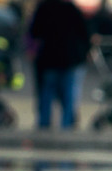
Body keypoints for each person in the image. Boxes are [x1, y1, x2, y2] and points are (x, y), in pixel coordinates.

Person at [27, 0, 92, 130]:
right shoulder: (72, 9)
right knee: (69, 93)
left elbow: (35, 31)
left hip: (50, 57)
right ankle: (66, 125)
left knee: (47, 92)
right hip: (71, 58)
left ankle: (44, 123)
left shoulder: (44, 8)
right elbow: (85, 33)